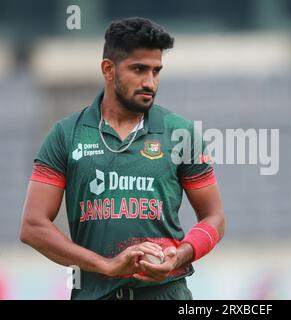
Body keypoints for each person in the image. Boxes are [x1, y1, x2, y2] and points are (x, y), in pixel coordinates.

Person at [20, 17, 225, 300]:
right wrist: (106, 265)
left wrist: (178, 256)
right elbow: (33, 226)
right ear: (108, 69)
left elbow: (214, 217)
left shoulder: (181, 133)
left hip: (165, 294)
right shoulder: (67, 134)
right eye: (139, 69)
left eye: (156, 71)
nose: (149, 82)